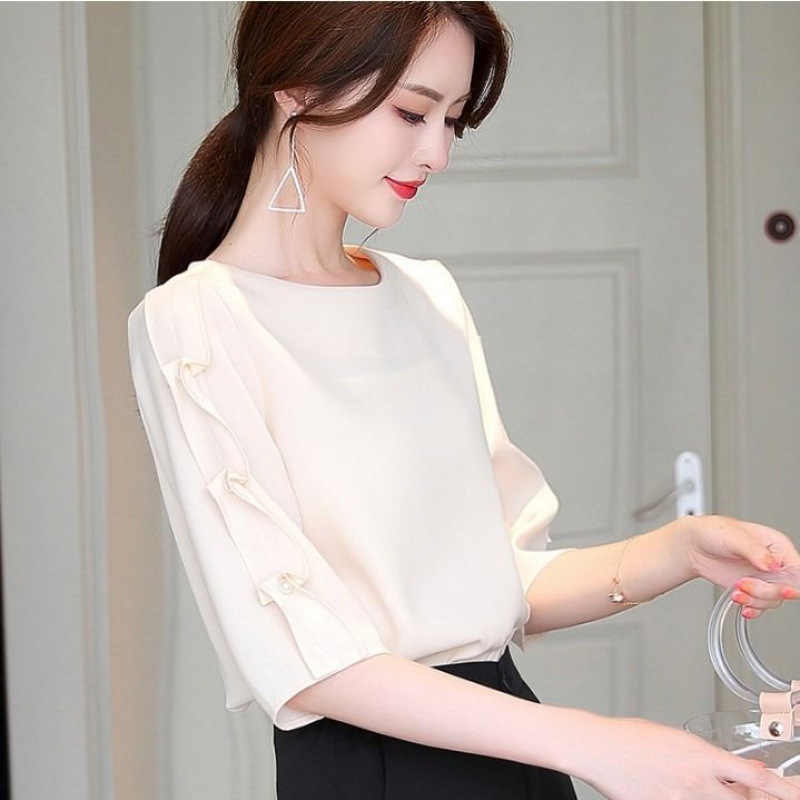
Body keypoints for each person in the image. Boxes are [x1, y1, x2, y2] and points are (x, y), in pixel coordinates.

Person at [127, 3, 800, 799]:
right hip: (377, 771)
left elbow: (497, 587)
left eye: (453, 121)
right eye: (412, 112)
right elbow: (306, 660)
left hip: (516, 751)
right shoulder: (197, 323)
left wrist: (681, 551)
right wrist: (600, 745)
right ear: (298, 88)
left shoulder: (428, 298)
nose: (437, 153)